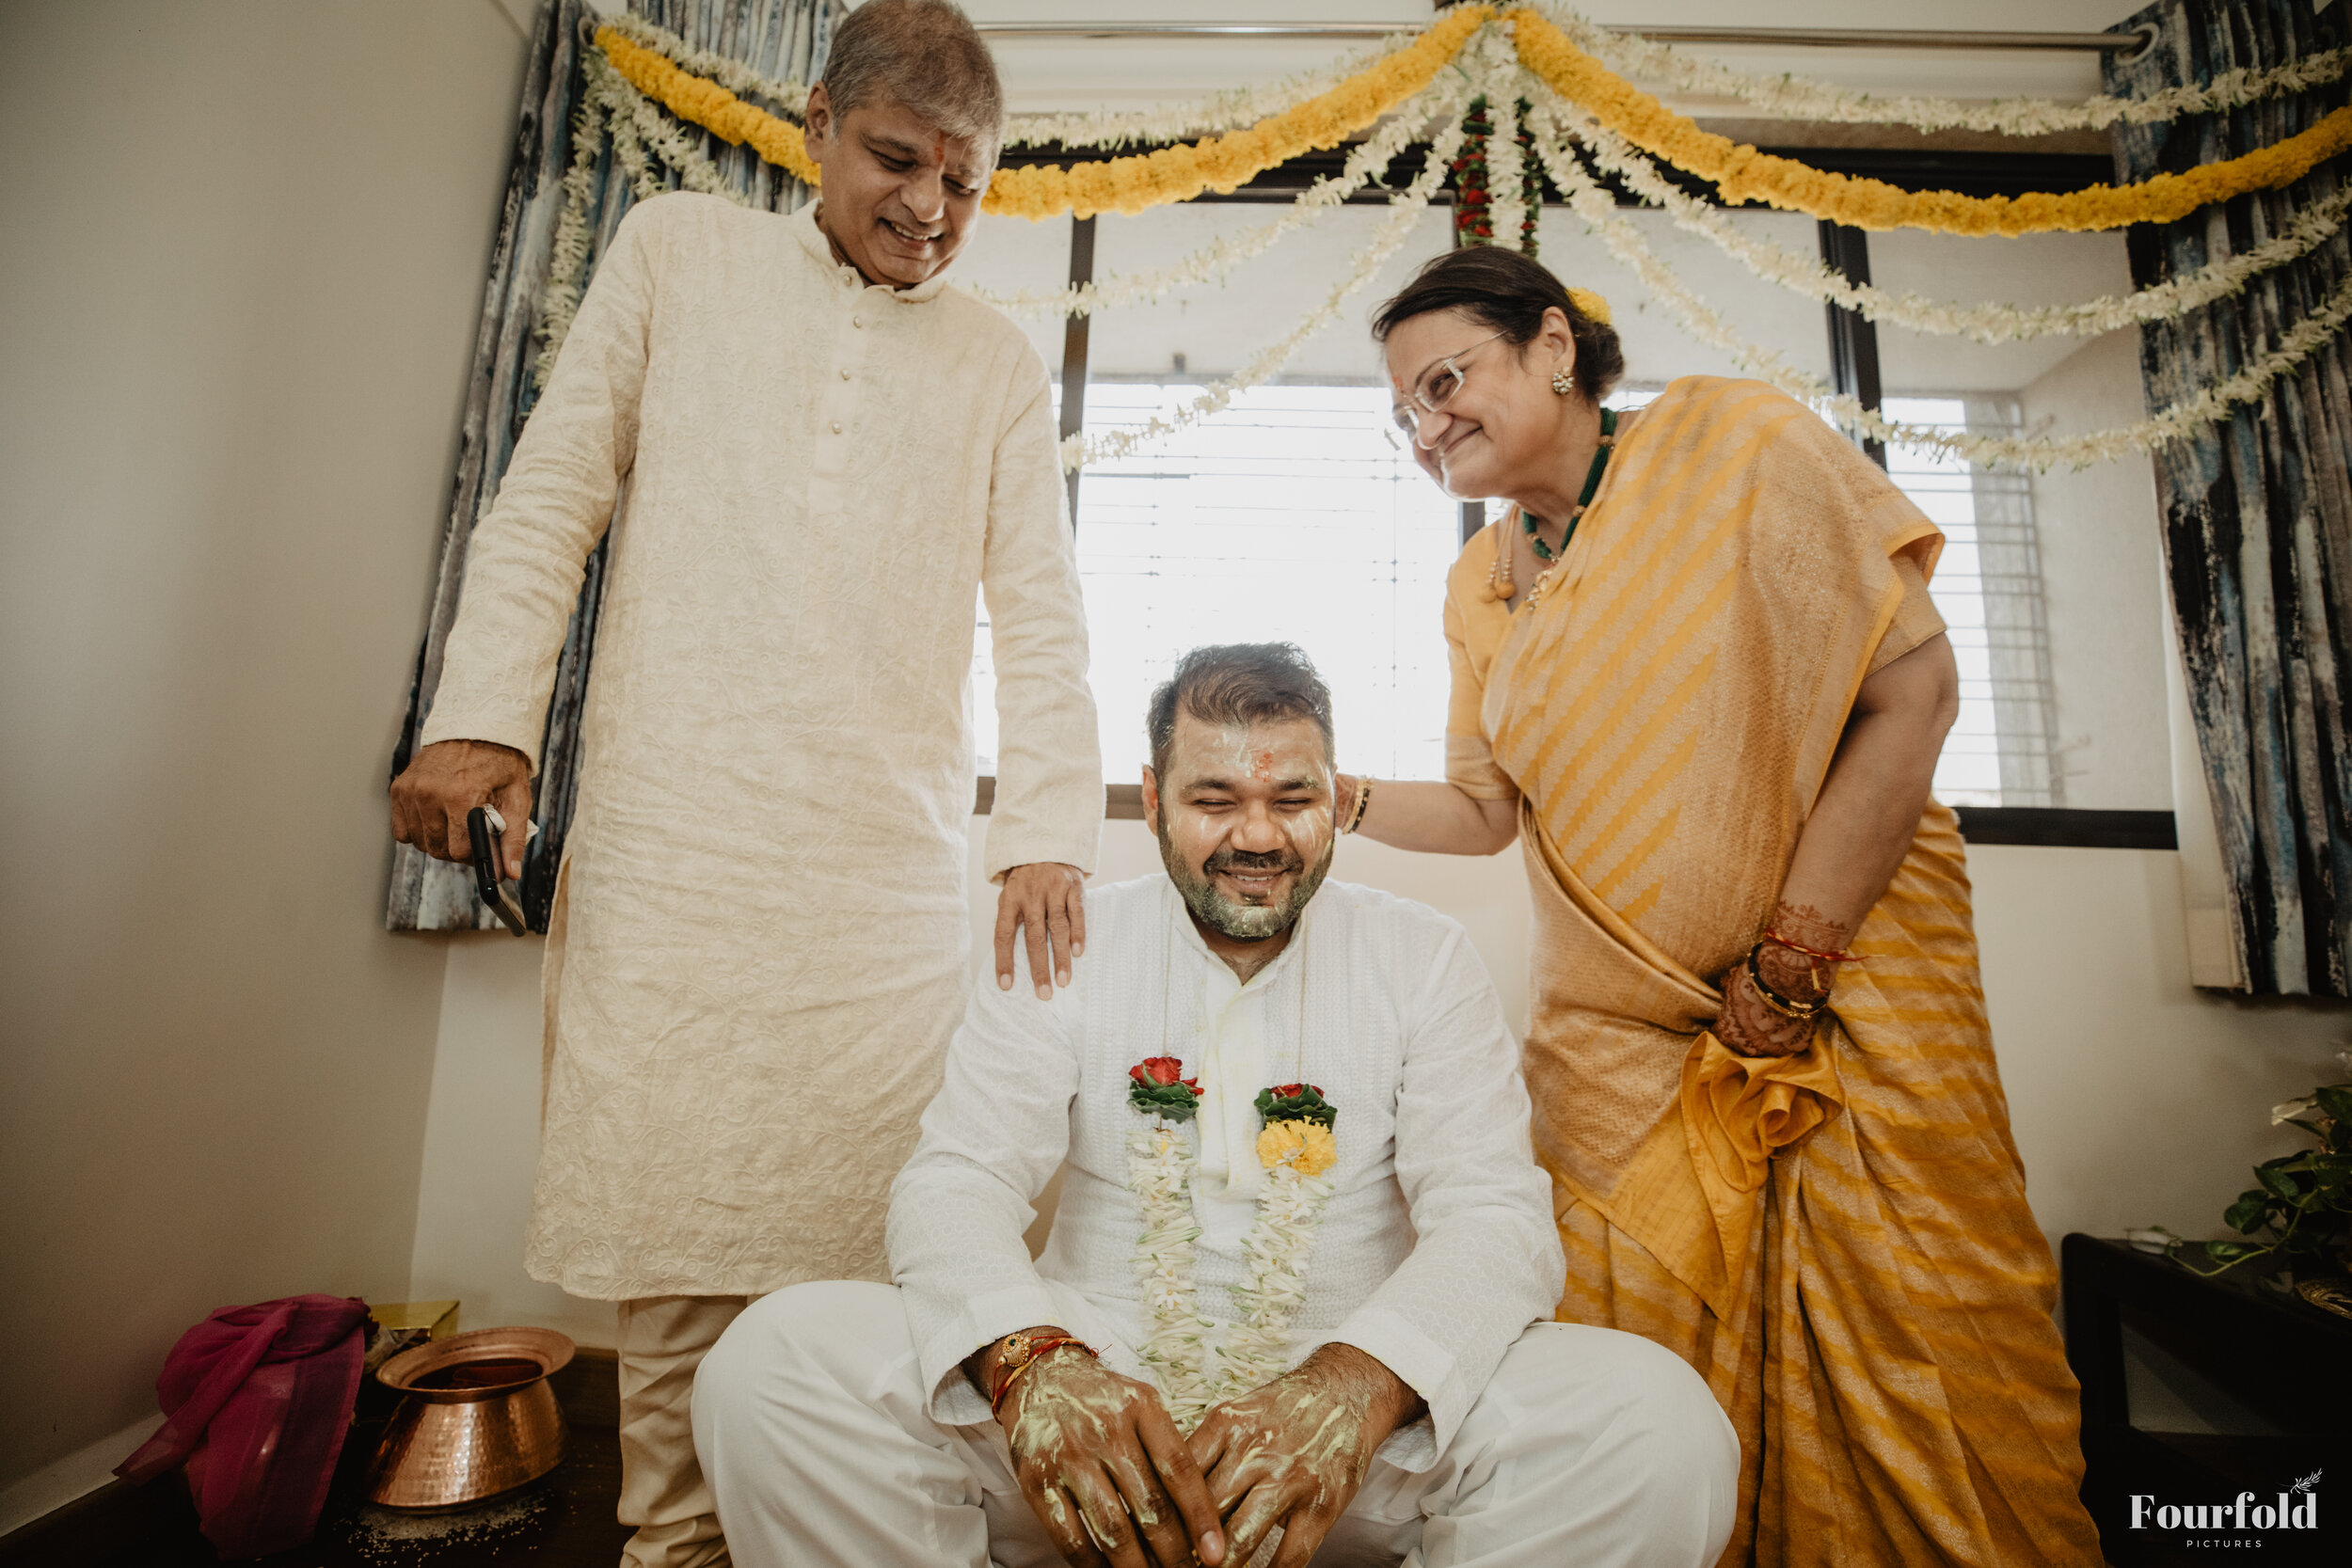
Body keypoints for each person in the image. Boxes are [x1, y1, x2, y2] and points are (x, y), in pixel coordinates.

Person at [385, 5, 1100, 1564]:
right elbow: (552, 488)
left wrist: (1045, 831)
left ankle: (843, 1529)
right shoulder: (677, 254)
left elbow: (1043, 614)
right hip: (676, 836)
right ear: (817, 124)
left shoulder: (993, 361)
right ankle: (674, 1538)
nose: (931, 208)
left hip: (878, 872)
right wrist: (486, 715)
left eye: (967, 183)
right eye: (898, 159)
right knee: (674, 1228)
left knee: (880, 1229)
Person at [1341, 246, 2104, 1566]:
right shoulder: (1480, 585)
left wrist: (1791, 967)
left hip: (1848, 985)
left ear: (1555, 346)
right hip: (1619, 1039)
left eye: (1445, 381)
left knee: (1915, 1316)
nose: (1426, 425)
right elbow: (1483, 809)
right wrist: (1331, 794)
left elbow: (1914, 691)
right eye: (1403, 411)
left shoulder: (1735, 446)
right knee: (1625, 1370)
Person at [693, 643, 1740, 1568]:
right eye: (1215, 798)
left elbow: (1495, 1218)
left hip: (1358, 1435)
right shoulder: (1071, 942)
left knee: (1658, 1424)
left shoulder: (1420, 956)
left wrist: (1356, 1386)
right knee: (774, 1362)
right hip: (1091, 1418)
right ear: (1152, 798)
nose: (1257, 834)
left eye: (1292, 797)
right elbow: (958, 1178)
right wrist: (1035, 1368)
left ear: (1337, 796)